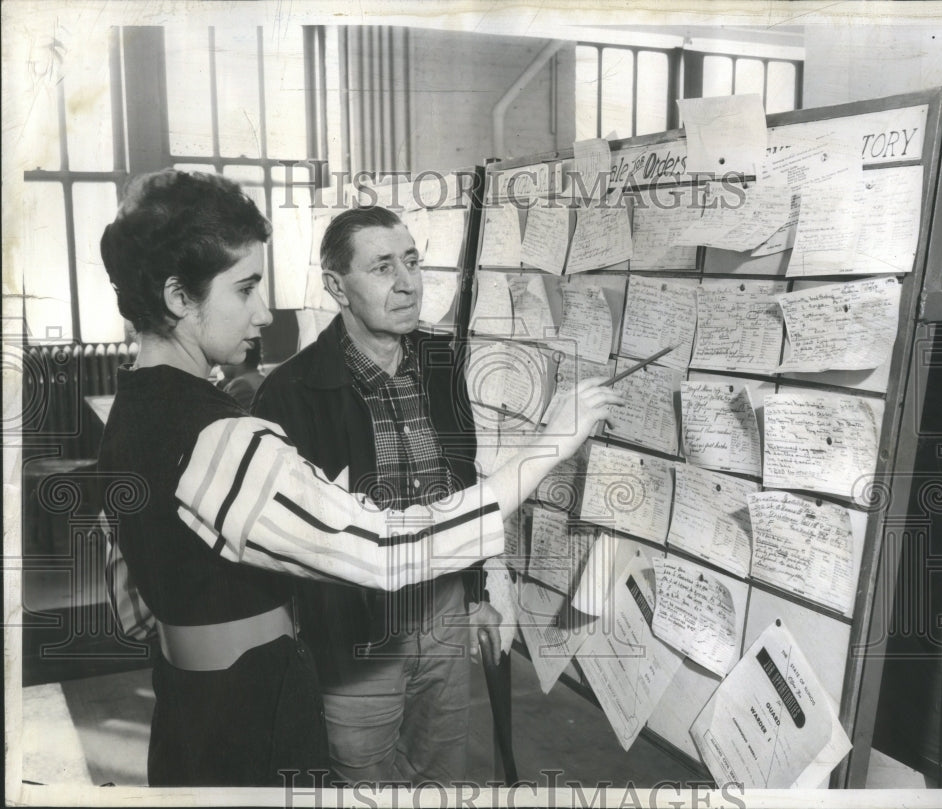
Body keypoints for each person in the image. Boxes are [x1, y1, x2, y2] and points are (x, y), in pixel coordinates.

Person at [97, 169, 620, 787]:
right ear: (180, 298)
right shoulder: (218, 432)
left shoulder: (132, 414)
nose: (264, 311)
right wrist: (551, 446)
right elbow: (382, 550)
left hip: (195, 703)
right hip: (252, 713)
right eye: (245, 289)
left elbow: (131, 603)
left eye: (412, 262)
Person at [251, 206, 516, 784]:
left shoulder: (441, 363)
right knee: (362, 786)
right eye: (381, 267)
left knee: (442, 777)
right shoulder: (290, 393)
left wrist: (476, 594)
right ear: (336, 287)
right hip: (354, 634)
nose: (407, 281)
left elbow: (463, 482)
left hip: (444, 613)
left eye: (412, 261)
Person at [216, 336, 266, 409]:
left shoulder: (241, 384)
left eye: (223, 355)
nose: (219, 364)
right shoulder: (262, 379)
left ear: (238, 356)